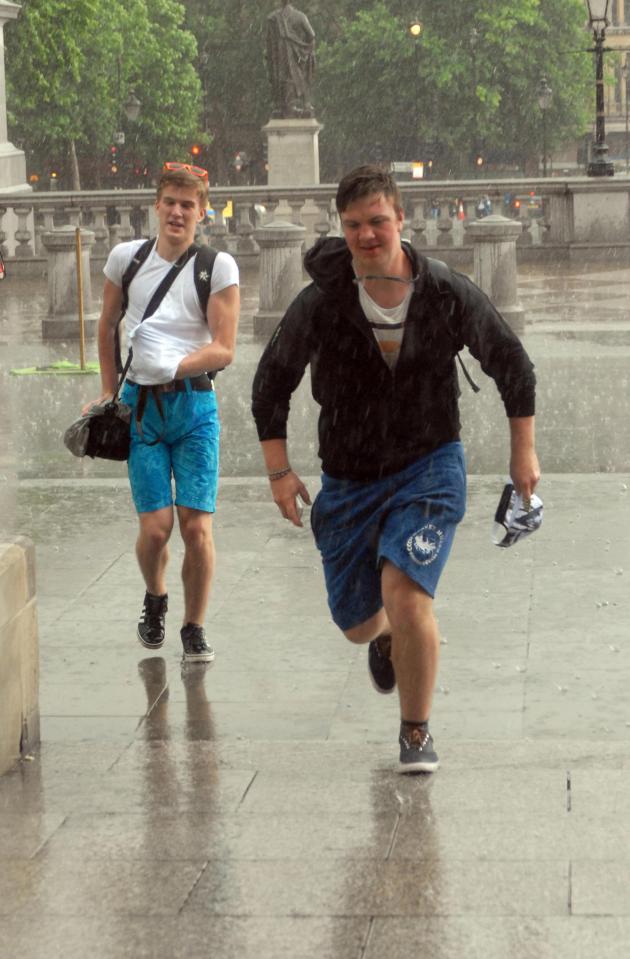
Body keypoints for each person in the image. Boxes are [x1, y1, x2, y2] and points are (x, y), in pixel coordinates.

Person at [251, 165, 539, 773]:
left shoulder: (443, 291)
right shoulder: (323, 302)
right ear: (341, 227)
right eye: (353, 225)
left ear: (401, 219)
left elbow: (512, 364)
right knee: (358, 622)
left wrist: (523, 455)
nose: (365, 235)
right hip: (349, 477)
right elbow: (271, 383)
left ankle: (415, 731)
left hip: (428, 465)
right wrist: (279, 470)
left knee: (406, 595)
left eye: (377, 221)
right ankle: (384, 640)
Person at [84, 163, 240, 663]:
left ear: (201, 211)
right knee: (155, 529)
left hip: (194, 406)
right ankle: (156, 595)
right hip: (142, 408)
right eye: (170, 201)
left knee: (196, 527)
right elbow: (107, 325)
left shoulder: (217, 268)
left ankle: (194, 626)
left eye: (187, 204)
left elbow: (225, 348)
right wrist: (110, 391)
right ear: (156, 205)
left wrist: (176, 362)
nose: (177, 211)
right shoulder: (125, 260)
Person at [265, 1, 316, 118]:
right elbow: (269, 43)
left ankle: (299, 105)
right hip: (279, 57)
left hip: (295, 56)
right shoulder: (273, 18)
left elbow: (312, 37)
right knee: (282, 79)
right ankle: (285, 106)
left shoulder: (300, 16)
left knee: (295, 78)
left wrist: (306, 54)